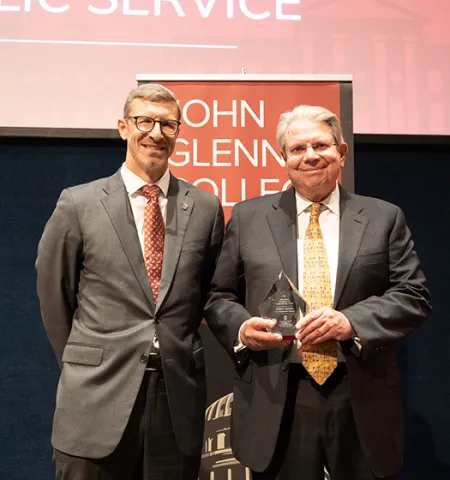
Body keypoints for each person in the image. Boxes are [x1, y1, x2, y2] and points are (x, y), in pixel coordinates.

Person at [204, 105, 431, 480]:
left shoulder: (383, 217)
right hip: (278, 393)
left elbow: (413, 295)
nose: (310, 156)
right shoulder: (248, 217)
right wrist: (242, 330)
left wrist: (350, 321)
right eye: (297, 149)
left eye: (320, 145)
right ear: (284, 159)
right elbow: (217, 296)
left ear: (341, 152)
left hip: (358, 392)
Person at [36, 83, 227, 480]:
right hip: (95, 394)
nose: (156, 133)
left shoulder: (206, 208)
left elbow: (210, 294)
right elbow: (54, 295)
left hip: (176, 400)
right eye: (144, 121)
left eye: (168, 124)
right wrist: (83, 359)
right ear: (123, 127)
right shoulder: (79, 203)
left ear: (178, 132)